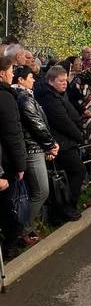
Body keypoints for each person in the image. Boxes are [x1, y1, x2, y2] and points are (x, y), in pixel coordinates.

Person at [12, 65, 59, 238]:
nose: (33, 80)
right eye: (30, 77)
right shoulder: (23, 98)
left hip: (36, 147)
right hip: (33, 149)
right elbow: (36, 124)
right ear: (21, 80)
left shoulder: (26, 96)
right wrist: (51, 144)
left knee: (37, 191)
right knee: (41, 191)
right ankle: (22, 229)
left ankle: (27, 227)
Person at [36, 66, 85, 218]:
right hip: (61, 143)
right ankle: (66, 207)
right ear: (51, 81)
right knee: (77, 171)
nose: (65, 83)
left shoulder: (56, 94)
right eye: (61, 81)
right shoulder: (49, 97)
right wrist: (80, 137)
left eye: (66, 80)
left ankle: (66, 206)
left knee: (70, 174)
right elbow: (62, 121)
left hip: (66, 141)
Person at [0, 56, 27, 256]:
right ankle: (8, 244)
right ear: (2, 73)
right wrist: (20, 164)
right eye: (11, 70)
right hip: (5, 161)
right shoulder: (5, 97)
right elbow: (12, 133)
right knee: (6, 205)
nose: (13, 74)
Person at [68, 67, 91, 163]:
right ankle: (85, 160)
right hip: (83, 118)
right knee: (85, 139)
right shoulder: (78, 84)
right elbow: (73, 100)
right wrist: (83, 110)